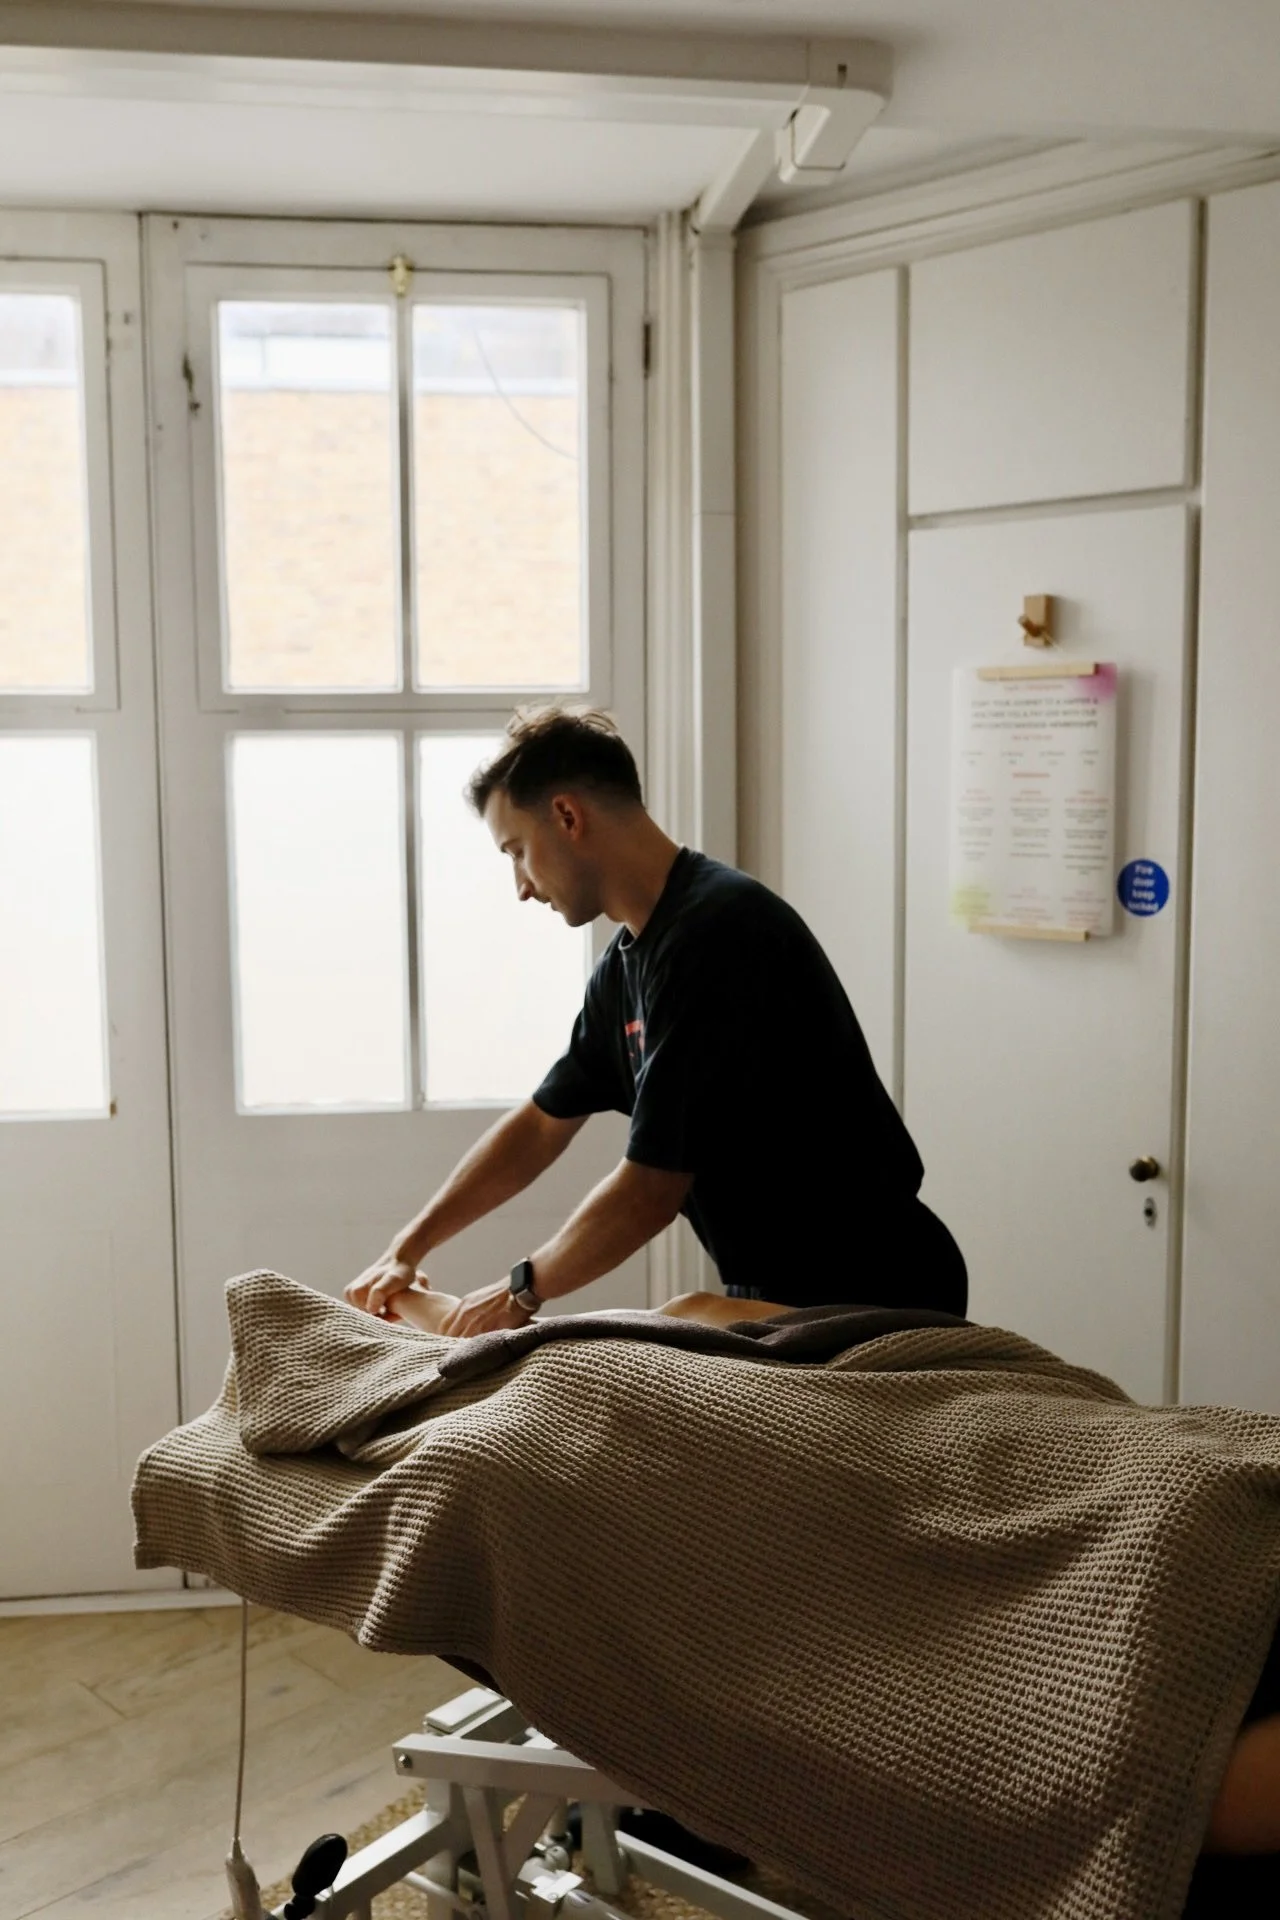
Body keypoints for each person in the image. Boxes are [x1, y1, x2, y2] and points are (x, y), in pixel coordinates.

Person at [346, 704, 966, 1339]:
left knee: (667, 1324)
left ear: (567, 816)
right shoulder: (625, 968)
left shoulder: (718, 934)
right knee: (668, 1323)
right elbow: (539, 1126)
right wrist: (407, 1248)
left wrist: (518, 1292)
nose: (522, 886)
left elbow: (649, 1192)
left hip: (880, 1286)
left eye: (518, 852)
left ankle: (468, 1331)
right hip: (773, 1289)